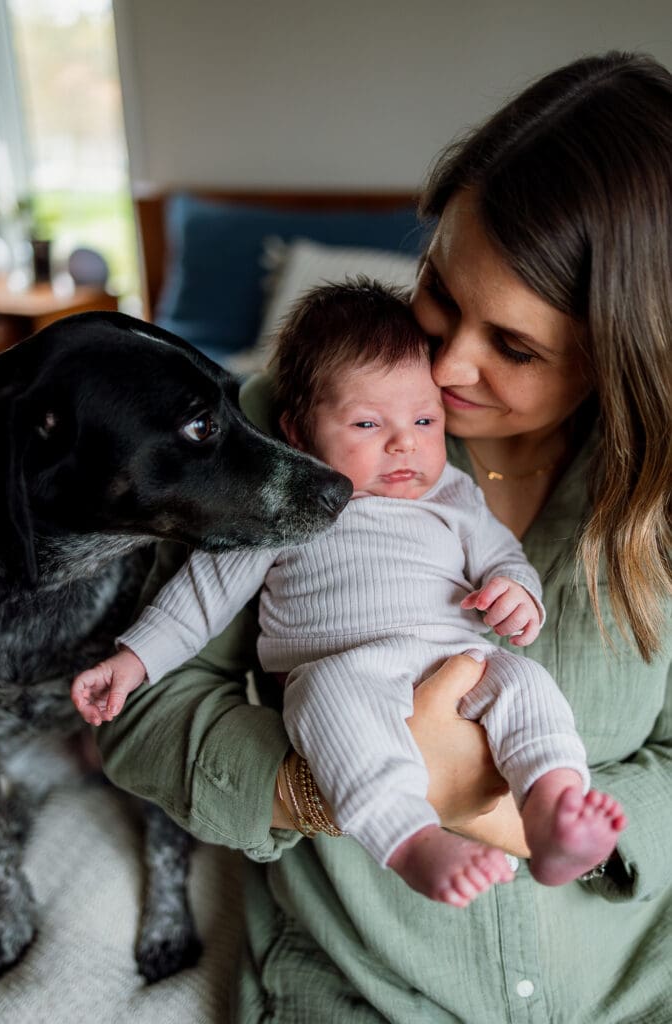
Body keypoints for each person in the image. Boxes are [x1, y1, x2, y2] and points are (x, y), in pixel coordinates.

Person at [98, 51, 671, 1022]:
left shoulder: (648, 490)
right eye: (440, 292)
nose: (444, 368)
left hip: (625, 991)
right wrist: (313, 789)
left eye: (516, 347)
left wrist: (500, 806)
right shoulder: (289, 428)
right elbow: (141, 718)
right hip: (359, 988)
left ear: (623, 353)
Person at [72, 281, 626, 904]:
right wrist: (132, 658)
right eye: (367, 423)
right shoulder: (284, 504)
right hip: (342, 668)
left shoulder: (454, 495)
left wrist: (516, 592)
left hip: (461, 661)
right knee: (334, 711)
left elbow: (503, 557)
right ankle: (408, 838)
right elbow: (200, 595)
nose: (404, 442)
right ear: (300, 435)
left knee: (528, 687)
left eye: (424, 419)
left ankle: (552, 806)